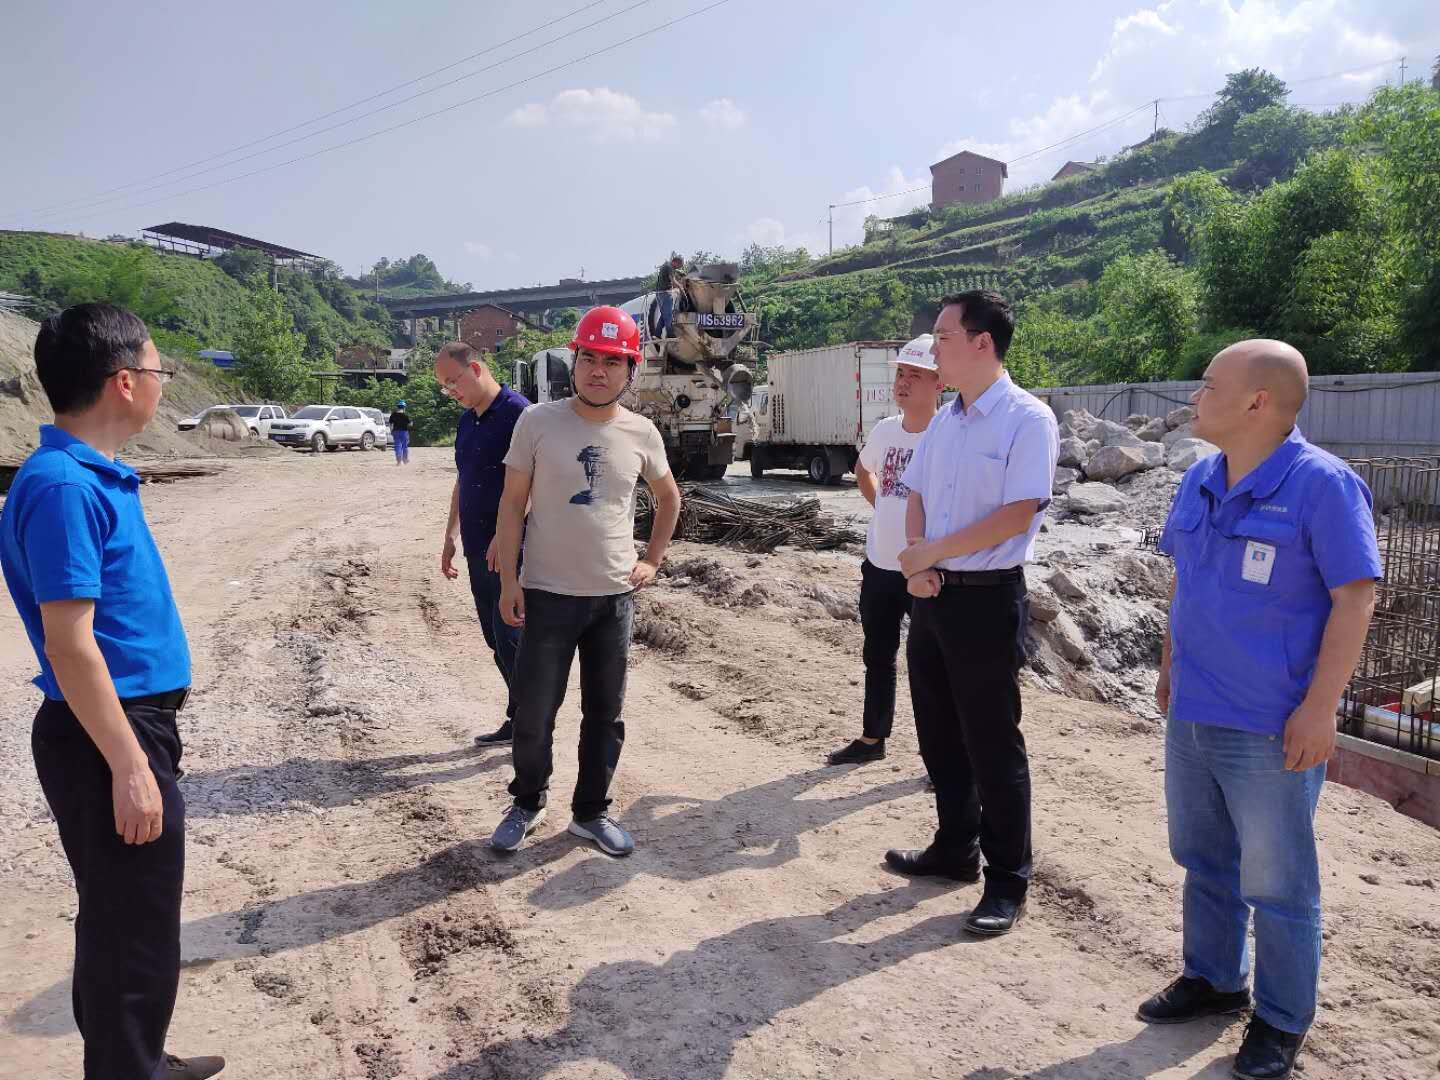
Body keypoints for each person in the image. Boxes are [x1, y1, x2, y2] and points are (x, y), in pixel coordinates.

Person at [1140, 340, 1379, 1080]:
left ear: (1257, 402)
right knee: (1204, 856)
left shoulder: (1323, 486)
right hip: (1196, 712)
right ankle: (1214, 978)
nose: (1195, 397)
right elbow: (1185, 578)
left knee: (1278, 882)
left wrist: (1321, 708)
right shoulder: (1201, 477)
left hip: (1270, 725)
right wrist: (1170, 664)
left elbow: (1355, 598)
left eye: (1209, 385)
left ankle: (1280, 1020)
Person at [0, 304, 225, 1079]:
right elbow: (70, 643)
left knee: (124, 917)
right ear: (124, 381)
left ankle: (138, 1060)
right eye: (159, 370)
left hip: (120, 726)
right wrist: (129, 766)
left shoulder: (90, 473)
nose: (163, 383)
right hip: (107, 733)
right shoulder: (65, 485)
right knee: (134, 931)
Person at [884, 289, 1058, 938]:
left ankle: (1007, 878)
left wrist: (931, 553)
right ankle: (954, 846)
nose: (933, 350)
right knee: (938, 732)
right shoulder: (948, 421)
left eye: (943, 337)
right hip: (932, 596)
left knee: (992, 743)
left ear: (983, 343)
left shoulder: (1026, 419)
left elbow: (1018, 513)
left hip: (986, 599)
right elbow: (918, 493)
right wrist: (919, 563)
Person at [491, 306, 682, 856]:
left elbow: (669, 499)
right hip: (547, 594)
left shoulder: (641, 432)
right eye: (590, 358)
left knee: (605, 714)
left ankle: (591, 812)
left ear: (630, 370)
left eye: (613, 361)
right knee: (534, 711)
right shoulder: (537, 422)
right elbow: (512, 503)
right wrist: (509, 581)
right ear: (574, 362)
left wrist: (653, 560)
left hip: (612, 599)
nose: (599, 371)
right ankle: (527, 801)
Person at [826, 334, 940, 767]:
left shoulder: (946, 435)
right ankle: (873, 739)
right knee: (877, 655)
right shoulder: (887, 430)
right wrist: (884, 509)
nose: (903, 382)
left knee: (932, 666)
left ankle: (942, 758)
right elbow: (863, 470)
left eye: (916, 375)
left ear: (939, 382)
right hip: (879, 565)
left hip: (926, 569)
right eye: (901, 374)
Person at [434, 343, 531, 747]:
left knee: (512, 638)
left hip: (513, 552)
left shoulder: (520, 414)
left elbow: (539, 482)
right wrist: (450, 535)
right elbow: (464, 479)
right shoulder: (466, 421)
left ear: (474, 368)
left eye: (452, 381)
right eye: (444, 387)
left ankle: (531, 724)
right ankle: (521, 717)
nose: (450, 391)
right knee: (495, 640)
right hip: (477, 549)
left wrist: (506, 536)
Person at [654, 254, 685, 339]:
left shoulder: (667, 266)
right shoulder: (669, 267)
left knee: (664, 314)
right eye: (679, 265)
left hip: (659, 293)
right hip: (665, 293)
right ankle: (671, 334)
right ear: (675, 262)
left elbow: (673, 272)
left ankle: (657, 334)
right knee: (668, 315)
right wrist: (681, 288)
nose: (679, 267)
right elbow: (673, 281)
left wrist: (680, 272)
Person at [388, 400, 411, 465]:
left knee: (397, 446)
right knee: (404, 446)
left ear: (397, 407)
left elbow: (390, 424)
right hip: (404, 432)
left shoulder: (393, 415)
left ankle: (398, 461)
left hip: (396, 432)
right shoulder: (406, 415)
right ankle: (405, 460)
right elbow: (410, 424)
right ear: (404, 407)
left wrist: (391, 431)